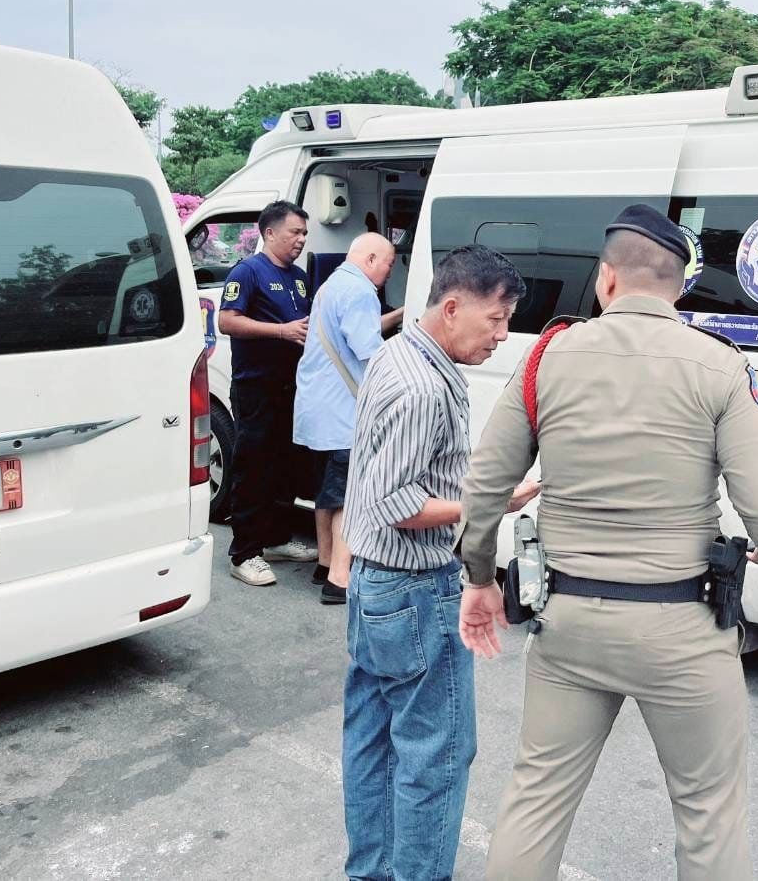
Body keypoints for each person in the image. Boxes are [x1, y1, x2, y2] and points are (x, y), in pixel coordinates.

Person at [459, 204, 758, 880]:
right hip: (683, 628)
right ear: (678, 287)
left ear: (606, 279)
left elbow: (484, 488)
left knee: (536, 800)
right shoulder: (719, 365)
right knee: (709, 812)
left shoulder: (546, 356)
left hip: (569, 625)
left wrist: (479, 578)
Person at [341, 245, 538, 881]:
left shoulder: (398, 352)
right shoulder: (422, 385)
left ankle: (371, 872)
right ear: (452, 308)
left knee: (373, 740)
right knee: (437, 754)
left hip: (374, 586)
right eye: (495, 319)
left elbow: (408, 471)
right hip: (414, 590)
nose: (501, 336)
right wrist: (492, 502)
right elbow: (397, 502)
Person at [292, 233, 403, 605]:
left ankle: (324, 563)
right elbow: (368, 349)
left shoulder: (333, 285)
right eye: (389, 263)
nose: (390, 272)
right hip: (344, 414)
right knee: (347, 497)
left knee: (326, 492)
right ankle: (339, 580)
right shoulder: (361, 292)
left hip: (319, 411)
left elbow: (354, 330)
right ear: (370, 259)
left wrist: (402, 314)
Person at [218, 200, 320, 586]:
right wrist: (280, 331)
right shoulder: (248, 272)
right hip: (256, 388)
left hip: (291, 388)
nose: (302, 239)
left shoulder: (298, 277)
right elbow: (227, 321)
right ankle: (244, 554)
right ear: (270, 232)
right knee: (254, 469)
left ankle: (275, 539)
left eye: (305, 233)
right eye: (295, 232)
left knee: (285, 466)